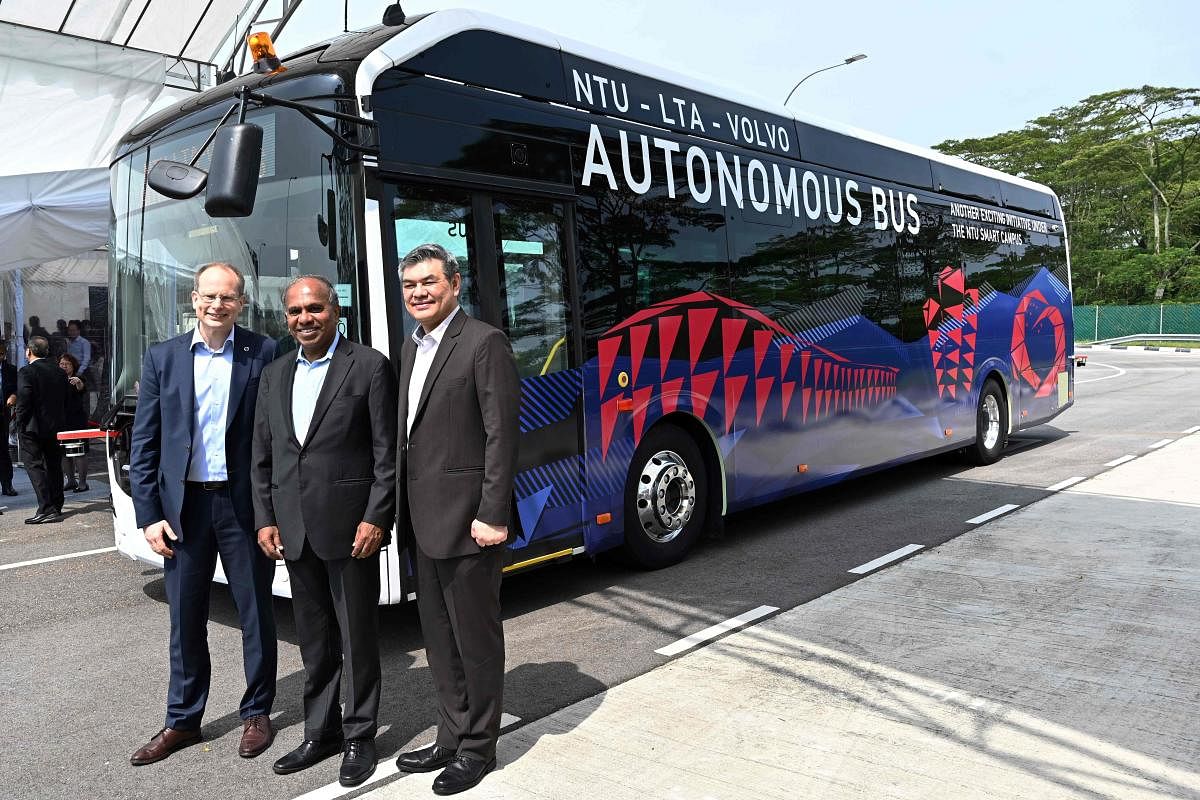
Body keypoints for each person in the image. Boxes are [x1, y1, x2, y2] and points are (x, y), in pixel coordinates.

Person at [127, 262, 279, 767]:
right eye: (209, 296)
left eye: (228, 298)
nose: (218, 305)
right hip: (183, 510)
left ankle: (257, 712)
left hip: (243, 507)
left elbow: (274, 437)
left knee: (257, 612)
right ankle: (183, 721)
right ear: (193, 300)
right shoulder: (162, 358)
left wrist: (271, 510)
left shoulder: (263, 352)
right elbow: (144, 443)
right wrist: (147, 514)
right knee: (185, 619)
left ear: (242, 303)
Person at [251, 275, 397, 787]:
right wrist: (265, 517)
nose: (304, 319)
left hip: (352, 526)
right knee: (312, 638)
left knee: (356, 636)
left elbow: (386, 452)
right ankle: (322, 731)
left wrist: (377, 516)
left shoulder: (368, 365)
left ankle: (360, 735)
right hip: (294, 527)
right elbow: (263, 456)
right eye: (294, 311)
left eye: (314, 308)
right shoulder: (274, 373)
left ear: (335, 311)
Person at [392, 244, 520, 796]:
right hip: (423, 521)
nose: (418, 293)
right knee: (439, 639)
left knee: (475, 639)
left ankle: (478, 748)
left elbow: (501, 434)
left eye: (428, 282)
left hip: (470, 522)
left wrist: (493, 512)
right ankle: (450, 735)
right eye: (410, 285)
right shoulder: (410, 347)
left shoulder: (483, 342)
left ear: (455, 284)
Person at [15, 335, 68, 523]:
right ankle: (56, 505)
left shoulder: (27, 372)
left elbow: (24, 399)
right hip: (55, 426)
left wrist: (18, 423)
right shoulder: (59, 371)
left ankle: (46, 507)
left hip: (32, 427)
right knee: (54, 465)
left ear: (29, 351)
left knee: (34, 465)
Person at [58, 352, 90, 492]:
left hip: (76, 421)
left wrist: (78, 382)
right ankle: (70, 480)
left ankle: (82, 483)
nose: (64, 366)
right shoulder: (57, 379)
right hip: (61, 420)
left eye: (67, 364)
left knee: (78, 452)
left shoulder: (78, 378)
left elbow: (81, 387)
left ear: (73, 366)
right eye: (61, 364)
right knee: (64, 453)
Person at [0, 344, 17, 496]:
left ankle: (7, 484)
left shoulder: (10, 370)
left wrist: (14, 395)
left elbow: (17, 388)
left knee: (3, 450)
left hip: (3, 412)